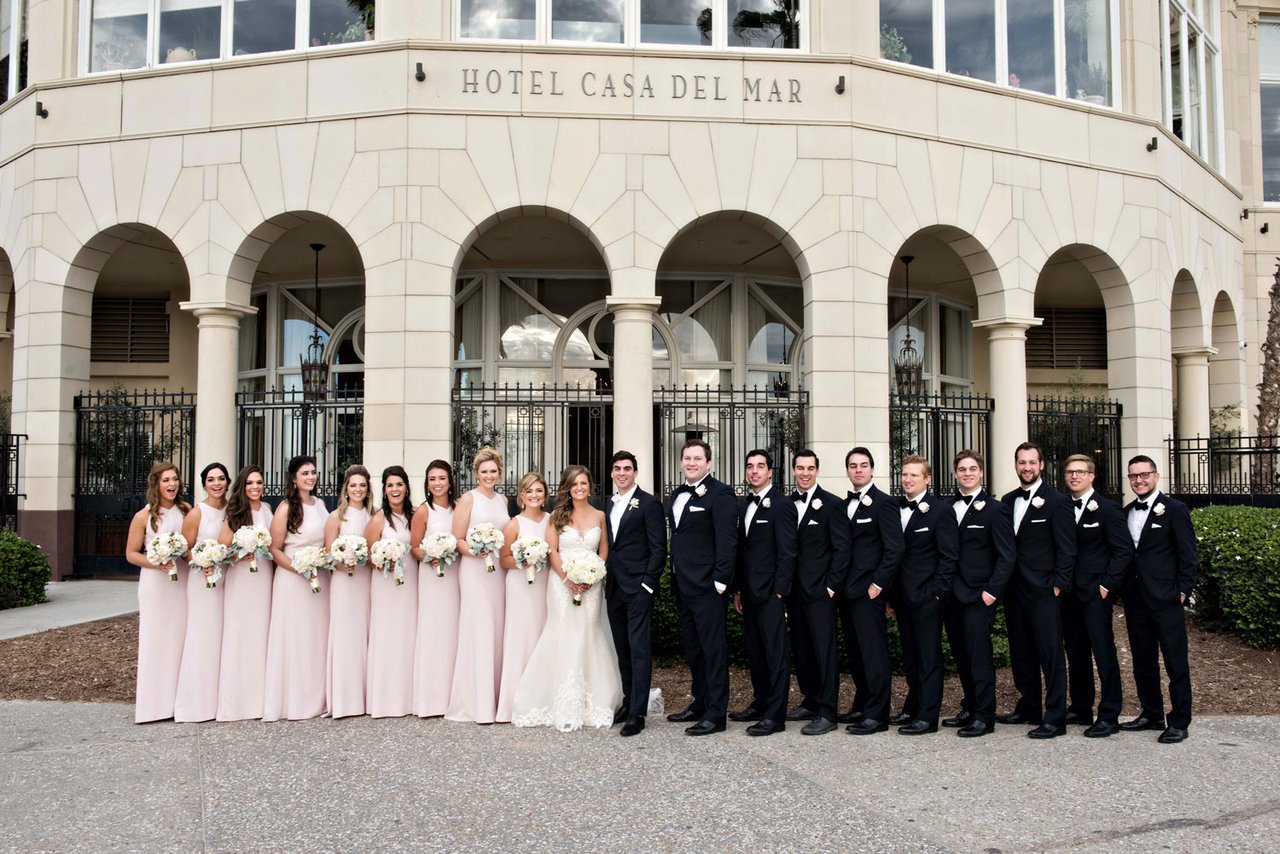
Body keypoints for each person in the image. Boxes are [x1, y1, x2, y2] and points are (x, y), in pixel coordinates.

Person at [512, 465, 622, 730]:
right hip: (562, 585)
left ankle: (594, 699)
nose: (580, 488)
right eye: (575, 485)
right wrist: (569, 579)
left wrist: (593, 575)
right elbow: (553, 552)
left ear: (590, 486)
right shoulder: (557, 516)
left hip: (592, 586)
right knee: (562, 633)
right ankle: (558, 700)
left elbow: (604, 549)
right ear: (567, 488)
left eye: (584, 484)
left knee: (589, 632)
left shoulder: (600, 516)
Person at [998, 442, 1077, 739]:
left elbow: (1067, 550)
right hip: (1014, 591)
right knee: (1021, 652)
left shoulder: (1057, 502)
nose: (1026, 467)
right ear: (1015, 465)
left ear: (1042, 465)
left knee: (1050, 654)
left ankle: (1055, 716)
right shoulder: (1006, 501)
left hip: (1044, 591)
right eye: (1021, 462)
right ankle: (1028, 705)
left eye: (1032, 462)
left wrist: (1058, 585)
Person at [1120, 455, 1197, 744]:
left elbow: (1188, 555)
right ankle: (1151, 713)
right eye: (1133, 476)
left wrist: (1183, 591)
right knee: (1143, 659)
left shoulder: (1175, 510)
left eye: (1144, 475)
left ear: (1156, 476)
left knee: (1175, 661)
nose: (1139, 481)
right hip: (1135, 598)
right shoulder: (1125, 512)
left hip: (1166, 598)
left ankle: (1179, 720)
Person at [940, 450, 1014, 738]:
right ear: (955, 473)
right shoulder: (947, 507)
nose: (967, 473)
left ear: (981, 473)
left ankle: (985, 715)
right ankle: (970, 706)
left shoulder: (995, 510)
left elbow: (1007, 556)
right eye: (962, 469)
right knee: (960, 654)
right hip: (951, 595)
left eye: (972, 468)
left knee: (979, 655)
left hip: (979, 596)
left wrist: (991, 592)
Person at [665, 439, 737, 736]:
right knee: (694, 649)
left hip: (708, 588)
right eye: (687, 458)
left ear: (709, 463)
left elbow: (728, 541)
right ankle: (700, 701)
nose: (691, 463)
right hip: (684, 586)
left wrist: (721, 582)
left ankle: (716, 714)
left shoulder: (721, 494)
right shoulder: (676, 495)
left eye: (697, 458)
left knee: (713, 651)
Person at [1062, 454, 1133, 738]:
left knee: (1103, 652)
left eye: (1079, 472)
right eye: (1069, 472)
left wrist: (1106, 586)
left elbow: (1123, 550)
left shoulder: (1108, 509)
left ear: (1092, 476)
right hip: (1068, 594)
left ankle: (1109, 713)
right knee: (1076, 651)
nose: (1074, 476)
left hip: (1095, 594)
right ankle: (1081, 707)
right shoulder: (1063, 507)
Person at [784, 449, 852, 736]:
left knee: (824, 651)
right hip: (793, 591)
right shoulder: (786, 504)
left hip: (820, 592)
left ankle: (828, 711)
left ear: (817, 470)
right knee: (802, 649)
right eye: (800, 468)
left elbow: (842, 549)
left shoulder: (832, 505)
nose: (804, 473)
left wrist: (831, 586)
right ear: (793, 470)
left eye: (810, 468)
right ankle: (811, 700)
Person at [730, 449, 796, 737]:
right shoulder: (745, 505)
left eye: (760, 466)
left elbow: (788, 551)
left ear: (771, 471)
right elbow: (743, 551)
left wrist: (780, 591)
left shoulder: (782, 505)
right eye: (749, 466)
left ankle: (775, 715)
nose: (754, 471)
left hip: (771, 594)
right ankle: (761, 702)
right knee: (756, 653)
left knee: (775, 654)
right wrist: (738, 589)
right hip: (750, 592)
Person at [892, 455, 957, 736]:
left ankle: (928, 716)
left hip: (928, 597)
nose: (908, 479)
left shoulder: (940, 511)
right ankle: (913, 705)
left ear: (927, 479)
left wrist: (936, 594)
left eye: (914, 475)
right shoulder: (894, 508)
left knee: (929, 657)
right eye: (905, 475)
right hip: (902, 598)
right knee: (911, 655)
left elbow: (948, 557)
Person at [839, 447, 903, 736]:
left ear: (872, 469)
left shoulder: (885, 504)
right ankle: (863, 703)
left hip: (869, 592)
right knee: (856, 652)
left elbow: (894, 548)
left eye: (863, 465)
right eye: (853, 466)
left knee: (874, 652)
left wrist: (879, 584)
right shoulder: (844, 505)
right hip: (847, 592)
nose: (858, 470)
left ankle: (878, 715)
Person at [604, 451, 666, 738]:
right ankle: (629, 702)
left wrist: (647, 585)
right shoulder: (608, 503)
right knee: (622, 649)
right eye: (617, 469)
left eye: (627, 469)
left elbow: (658, 548)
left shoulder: (649, 503)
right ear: (612, 473)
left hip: (638, 588)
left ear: (635, 472)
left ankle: (638, 713)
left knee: (639, 649)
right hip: (614, 587)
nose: (622, 473)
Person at [446, 448, 510, 724]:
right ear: (476, 474)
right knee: (479, 627)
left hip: (497, 574)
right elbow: (456, 538)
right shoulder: (467, 499)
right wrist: (475, 551)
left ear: (499, 473)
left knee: (495, 629)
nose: (489, 475)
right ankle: (475, 701)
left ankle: (494, 697)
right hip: (474, 570)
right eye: (484, 471)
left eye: (493, 471)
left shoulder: (504, 499)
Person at [264, 455, 329, 721]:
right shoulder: (285, 508)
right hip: (293, 580)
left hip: (318, 579)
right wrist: (299, 568)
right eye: (305, 473)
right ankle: (293, 700)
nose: (311, 477)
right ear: (294, 478)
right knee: (296, 638)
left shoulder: (321, 504)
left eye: (313, 472)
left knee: (315, 638)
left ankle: (315, 697)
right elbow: (274, 549)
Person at [125, 462, 192, 723]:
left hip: (181, 582)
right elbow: (131, 554)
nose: (171, 485)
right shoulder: (144, 516)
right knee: (156, 640)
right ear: (156, 484)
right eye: (166, 480)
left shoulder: (186, 511)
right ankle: (153, 706)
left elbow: (190, 547)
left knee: (180, 638)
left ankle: (179, 702)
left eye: (174, 479)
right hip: (155, 584)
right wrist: (156, 562)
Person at [216, 465, 274, 722]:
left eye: (259, 482)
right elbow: (221, 550)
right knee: (241, 635)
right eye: (250, 483)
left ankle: (260, 698)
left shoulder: (269, 510)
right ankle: (237, 701)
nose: (255, 487)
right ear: (242, 485)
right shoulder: (235, 512)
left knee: (261, 635)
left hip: (264, 577)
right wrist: (241, 554)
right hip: (242, 580)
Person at [174, 462, 230, 722]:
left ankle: (222, 697)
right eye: (211, 479)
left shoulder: (233, 510)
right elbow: (185, 550)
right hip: (202, 580)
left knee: (223, 637)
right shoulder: (197, 513)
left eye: (221, 479)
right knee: (202, 636)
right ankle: (195, 702)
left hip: (228, 579)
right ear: (204, 484)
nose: (216, 483)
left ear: (228, 482)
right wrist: (202, 562)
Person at [495, 472, 551, 722]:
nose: (534, 495)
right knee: (521, 638)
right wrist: (523, 560)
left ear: (545, 494)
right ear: (522, 495)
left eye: (538, 490)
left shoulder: (551, 521)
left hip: (544, 586)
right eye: (529, 491)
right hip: (520, 587)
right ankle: (514, 702)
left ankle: (542, 698)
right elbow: (504, 559)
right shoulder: (514, 524)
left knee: (542, 635)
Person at [365, 465, 419, 718]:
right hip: (385, 583)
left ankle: (408, 697)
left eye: (399, 484)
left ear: (406, 487)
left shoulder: (415, 514)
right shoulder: (378, 518)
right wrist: (381, 559)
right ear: (384, 490)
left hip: (410, 581)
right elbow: (368, 553)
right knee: (387, 634)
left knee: (408, 634)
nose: (395, 489)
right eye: (390, 486)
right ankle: (385, 698)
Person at [410, 460, 460, 717]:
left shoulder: (459, 508)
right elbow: (415, 546)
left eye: (442, 478)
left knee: (453, 631)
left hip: (455, 577)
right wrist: (431, 556)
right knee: (433, 631)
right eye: (432, 479)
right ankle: (430, 699)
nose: (437, 483)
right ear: (427, 483)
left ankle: (453, 694)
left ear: (450, 481)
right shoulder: (423, 511)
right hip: (432, 577)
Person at [324, 465, 373, 719]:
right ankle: (345, 699)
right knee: (346, 634)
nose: (358, 490)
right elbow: (328, 551)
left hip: (366, 580)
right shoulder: (336, 517)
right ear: (346, 488)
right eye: (353, 485)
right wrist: (342, 562)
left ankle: (366, 695)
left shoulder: (373, 515)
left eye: (362, 485)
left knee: (365, 633)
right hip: (344, 582)